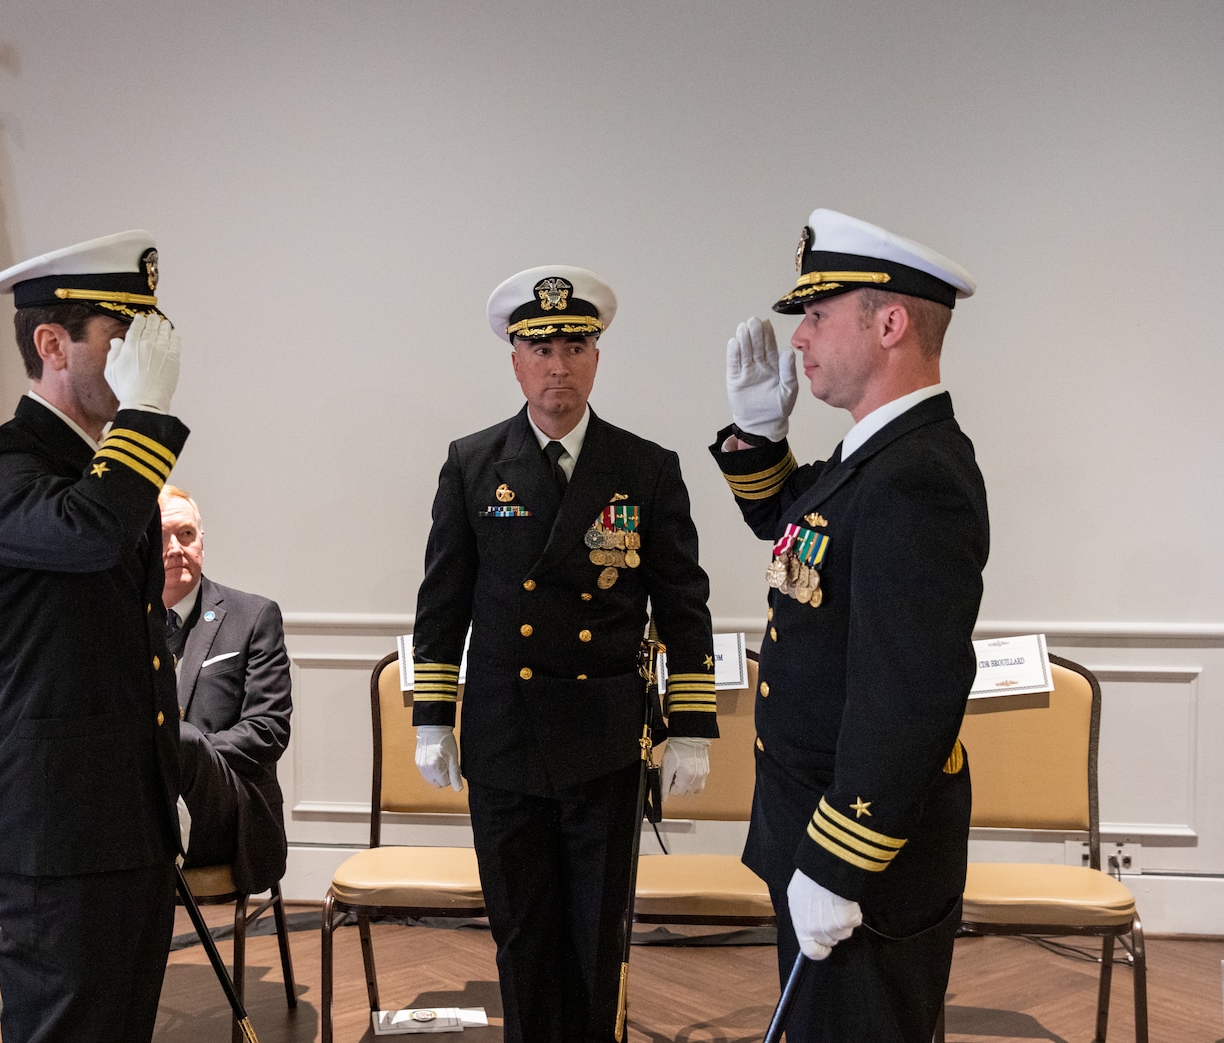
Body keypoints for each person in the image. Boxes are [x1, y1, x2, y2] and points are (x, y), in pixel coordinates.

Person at [412, 265, 719, 1043]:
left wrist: (689, 723)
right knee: (522, 929)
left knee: (596, 932)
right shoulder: (473, 462)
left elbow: (684, 604)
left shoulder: (645, 469)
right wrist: (430, 718)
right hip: (506, 738)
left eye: (575, 344)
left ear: (596, 356)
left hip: (603, 743)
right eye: (541, 346)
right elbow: (442, 602)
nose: (559, 363)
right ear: (515, 358)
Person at [710, 209, 988, 1041]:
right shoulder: (878, 455)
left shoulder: (915, 476)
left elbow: (908, 695)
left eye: (820, 315)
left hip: (864, 854)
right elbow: (804, 534)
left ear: (891, 322)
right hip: (820, 829)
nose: (800, 340)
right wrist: (763, 438)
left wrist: (837, 863)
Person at [0, 230, 189, 1043]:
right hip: (56, 836)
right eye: (121, 340)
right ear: (51, 343)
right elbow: (88, 533)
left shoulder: (111, 469)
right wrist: (150, 416)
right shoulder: (4, 466)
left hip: (129, 825)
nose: (138, 366)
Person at [160, 484, 291, 894]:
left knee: (176, 739)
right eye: (161, 538)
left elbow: (268, 729)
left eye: (186, 534)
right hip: (139, 813)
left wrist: (185, 755)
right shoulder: (116, 625)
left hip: (229, 819)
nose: (176, 548)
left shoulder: (253, 617)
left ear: (202, 540)